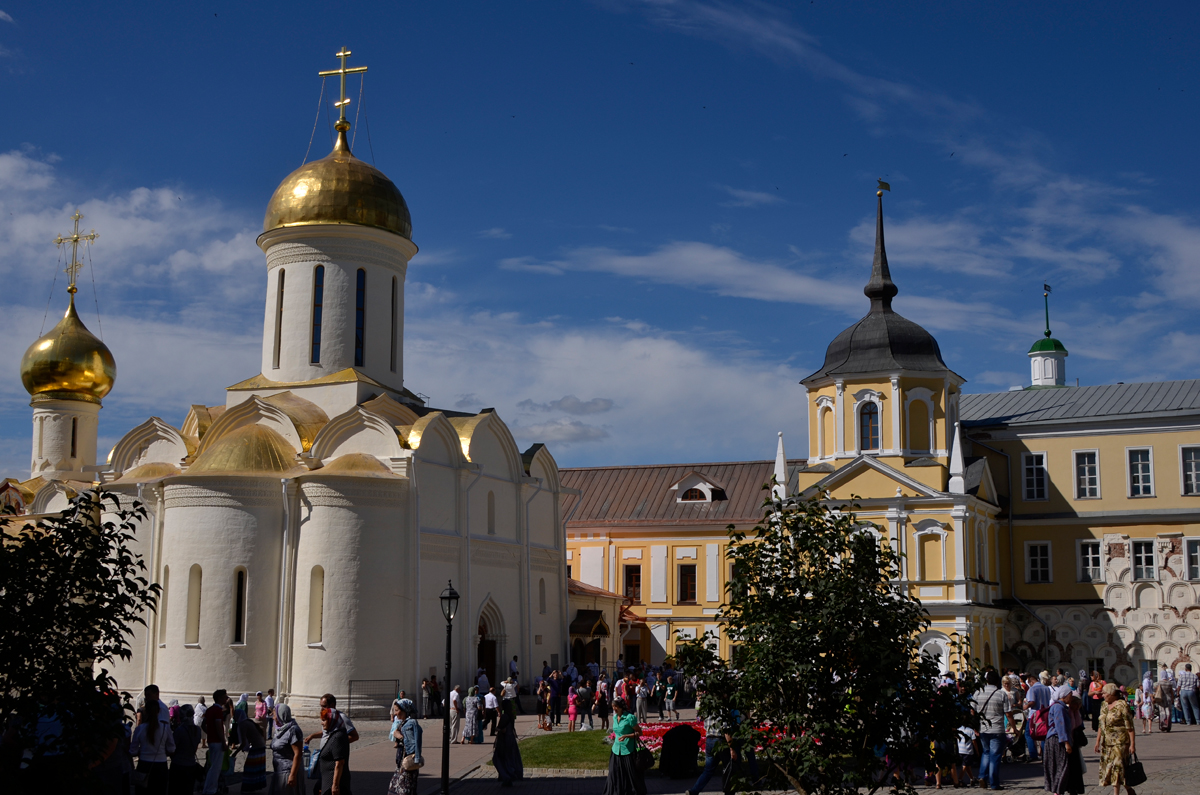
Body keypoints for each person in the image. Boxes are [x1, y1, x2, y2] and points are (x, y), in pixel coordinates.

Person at [685, 692, 733, 795]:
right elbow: (726, 729)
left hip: (709, 740)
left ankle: (694, 790)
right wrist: (731, 748)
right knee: (728, 768)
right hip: (720, 740)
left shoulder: (708, 707)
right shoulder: (723, 708)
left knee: (708, 770)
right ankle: (728, 790)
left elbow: (700, 718)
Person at [973, 670, 1013, 791]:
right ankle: (994, 783)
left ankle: (982, 776)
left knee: (986, 752)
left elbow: (972, 710)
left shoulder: (978, 692)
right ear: (997, 681)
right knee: (995, 756)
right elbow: (1008, 713)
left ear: (986, 680)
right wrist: (1014, 728)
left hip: (983, 728)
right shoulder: (1001, 694)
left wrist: (976, 724)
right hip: (997, 728)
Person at [1095, 682, 1137, 795]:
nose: (1102, 695)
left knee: (1117, 768)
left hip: (1120, 742)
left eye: (1104, 693)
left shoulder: (1122, 705)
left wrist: (1132, 744)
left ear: (1111, 693)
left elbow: (1130, 727)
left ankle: (1116, 793)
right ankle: (1128, 788)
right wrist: (1098, 741)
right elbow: (1101, 724)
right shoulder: (1104, 705)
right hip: (1107, 742)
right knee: (1111, 768)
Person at [130, 703, 175, 795]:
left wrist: (142, 751)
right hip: (161, 765)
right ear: (159, 712)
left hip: (144, 764)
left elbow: (133, 751)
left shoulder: (140, 729)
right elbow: (171, 748)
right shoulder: (165, 728)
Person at [603, 697, 645, 795]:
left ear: (621, 707)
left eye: (616, 706)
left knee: (630, 775)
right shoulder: (614, 717)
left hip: (628, 750)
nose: (614, 708)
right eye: (613, 706)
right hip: (616, 750)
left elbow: (639, 733)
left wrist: (627, 736)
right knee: (614, 773)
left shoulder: (629, 718)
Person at [1042, 686, 1077, 795]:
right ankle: (1057, 790)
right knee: (1061, 766)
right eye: (1070, 695)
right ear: (1064, 695)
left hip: (1055, 740)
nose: (1071, 698)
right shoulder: (1059, 708)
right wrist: (1066, 743)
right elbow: (1060, 726)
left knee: (1057, 766)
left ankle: (1058, 790)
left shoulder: (1060, 707)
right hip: (1057, 741)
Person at [387, 698, 422, 795]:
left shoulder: (411, 723)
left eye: (397, 710)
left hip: (407, 763)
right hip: (401, 763)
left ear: (404, 710)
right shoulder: (403, 723)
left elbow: (412, 744)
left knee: (404, 790)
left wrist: (400, 736)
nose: (395, 713)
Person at [269, 703, 303, 795]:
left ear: (281, 715)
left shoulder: (293, 730)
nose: (273, 717)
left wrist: (292, 775)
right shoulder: (280, 730)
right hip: (278, 772)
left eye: (274, 714)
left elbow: (298, 754)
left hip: (287, 773)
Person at [319, 705, 353, 795]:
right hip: (328, 782)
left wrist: (335, 785)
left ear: (332, 720)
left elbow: (339, 763)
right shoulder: (333, 734)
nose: (322, 723)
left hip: (334, 785)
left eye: (324, 720)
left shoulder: (338, 736)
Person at [201, 689, 230, 795]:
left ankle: (208, 788)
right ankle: (210, 789)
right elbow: (218, 727)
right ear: (219, 698)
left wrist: (209, 733)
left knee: (212, 766)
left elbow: (203, 724)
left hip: (211, 740)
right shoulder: (218, 710)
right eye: (224, 697)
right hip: (217, 741)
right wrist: (223, 741)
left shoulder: (210, 710)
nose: (226, 698)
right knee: (215, 768)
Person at [169, 703, 201, 794]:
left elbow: (173, 748)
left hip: (178, 763)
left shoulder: (179, 730)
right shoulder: (197, 730)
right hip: (191, 763)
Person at [235, 706, 268, 792]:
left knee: (249, 767)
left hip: (257, 747)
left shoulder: (243, 724)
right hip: (260, 746)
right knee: (257, 768)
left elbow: (244, 742)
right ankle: (255, 785)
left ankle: (249, 786)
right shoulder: (248, 722)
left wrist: (235, 753)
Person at [492, 702, 523, 787]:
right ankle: (507, 776)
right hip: (510, 740)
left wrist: (496, 728)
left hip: (504, 741)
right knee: (509, 759)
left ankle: (507, 776)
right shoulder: (511, 716)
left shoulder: (505, 716)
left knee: (498, 759)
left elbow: (502, 729)